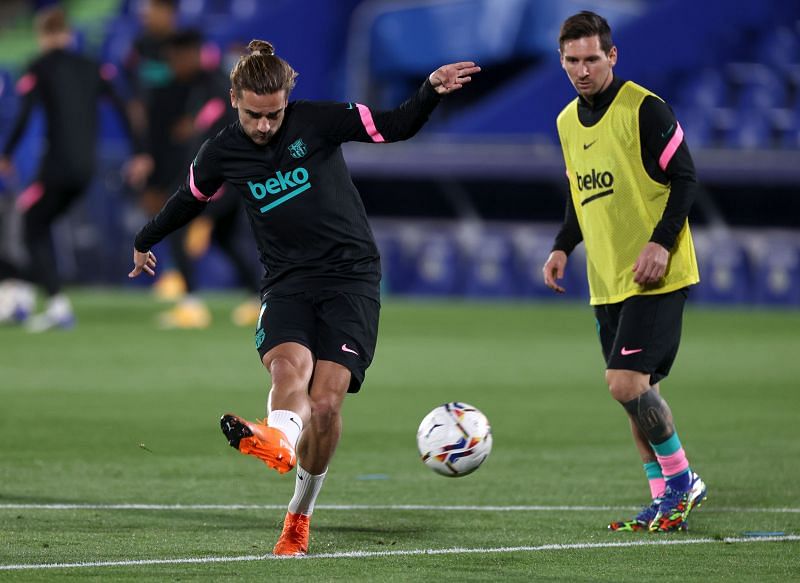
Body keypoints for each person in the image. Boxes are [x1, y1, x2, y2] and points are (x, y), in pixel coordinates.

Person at [128, 39, 480, 555]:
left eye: (273, 115)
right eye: (254, 115)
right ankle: (277, 442)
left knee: (327, 404)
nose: (265, 125)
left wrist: (428, 90)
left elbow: (395, 125)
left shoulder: (318, 121)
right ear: (234, 100)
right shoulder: (222, 150)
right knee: (287, 368)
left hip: (351, 278)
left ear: (287, 102)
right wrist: (145, 239)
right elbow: (188, 200)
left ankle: (298, 516)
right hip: (288, 283)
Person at [542, 11, 707, 533]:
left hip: (657, 274)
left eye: (593, 58)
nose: (583, 69)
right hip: (608, 280)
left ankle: (683, 482)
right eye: (573, 60)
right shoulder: (567, 121)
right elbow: (579, 191)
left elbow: (684, 179)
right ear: (562, 61)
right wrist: (563, 245)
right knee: (639, 393)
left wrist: (661, 242)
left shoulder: (645, 108)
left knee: (624, 382)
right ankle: (664, 500)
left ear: (612, 56)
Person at [0, 5, 149, 332]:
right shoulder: (93, 67)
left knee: (29, 221)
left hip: (56, 166)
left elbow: (24, 113)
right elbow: (124, 106)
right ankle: (24, 297)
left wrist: (7, 154)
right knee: (41, 222)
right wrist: (139, 151)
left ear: (42, 36)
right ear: (68, 34)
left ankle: (55, 305)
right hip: (85, 170)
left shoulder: (38, 67)